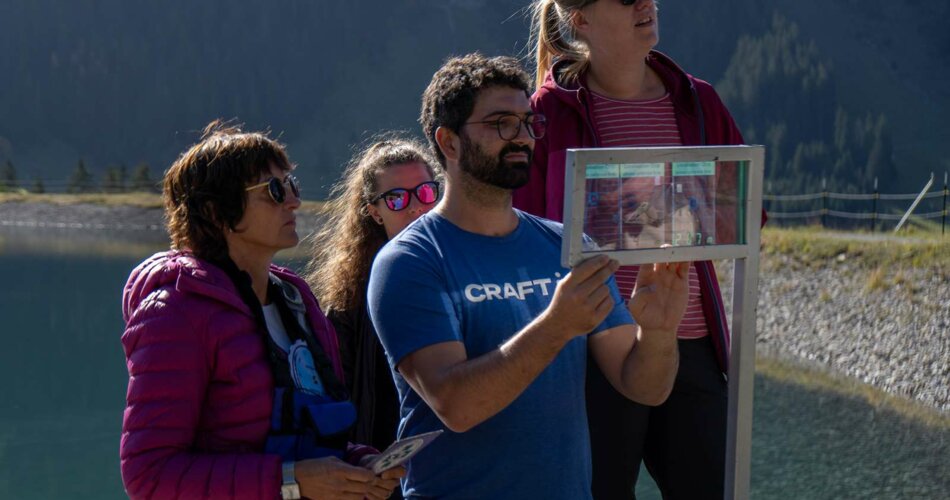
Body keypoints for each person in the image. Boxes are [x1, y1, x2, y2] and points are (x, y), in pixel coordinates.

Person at [367, 53, 691, 499]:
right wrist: (556, 326)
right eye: (501, 123)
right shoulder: (408, 262)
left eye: (527, 122)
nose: (521, 137)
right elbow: (457, 406)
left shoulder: (567, 246)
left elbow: (644, 386)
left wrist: (657, 332)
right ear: (450, 142)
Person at [516, 1, 760, 498]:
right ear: (580, 19)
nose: (646, 4)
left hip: (688, 342)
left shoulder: (697, 100)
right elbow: (523, 235)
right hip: (588, 351)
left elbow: (746, 215)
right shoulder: (543, 114)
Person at [119, 121, 403, 500]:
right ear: (215, 210)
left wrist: (358, 463)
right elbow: (149, 475)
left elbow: (310, 437)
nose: (294, 201)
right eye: (273, 190)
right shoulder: (175, 311)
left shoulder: (296, 302)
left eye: (291, 185)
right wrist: (290, 481)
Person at [306, 138, 440, 464]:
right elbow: (338, 399)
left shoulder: (469, 275)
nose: (415, 207)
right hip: (385, 465)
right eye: (395, 198)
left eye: (425, 192)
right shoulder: (349, 301)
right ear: (374, 213)